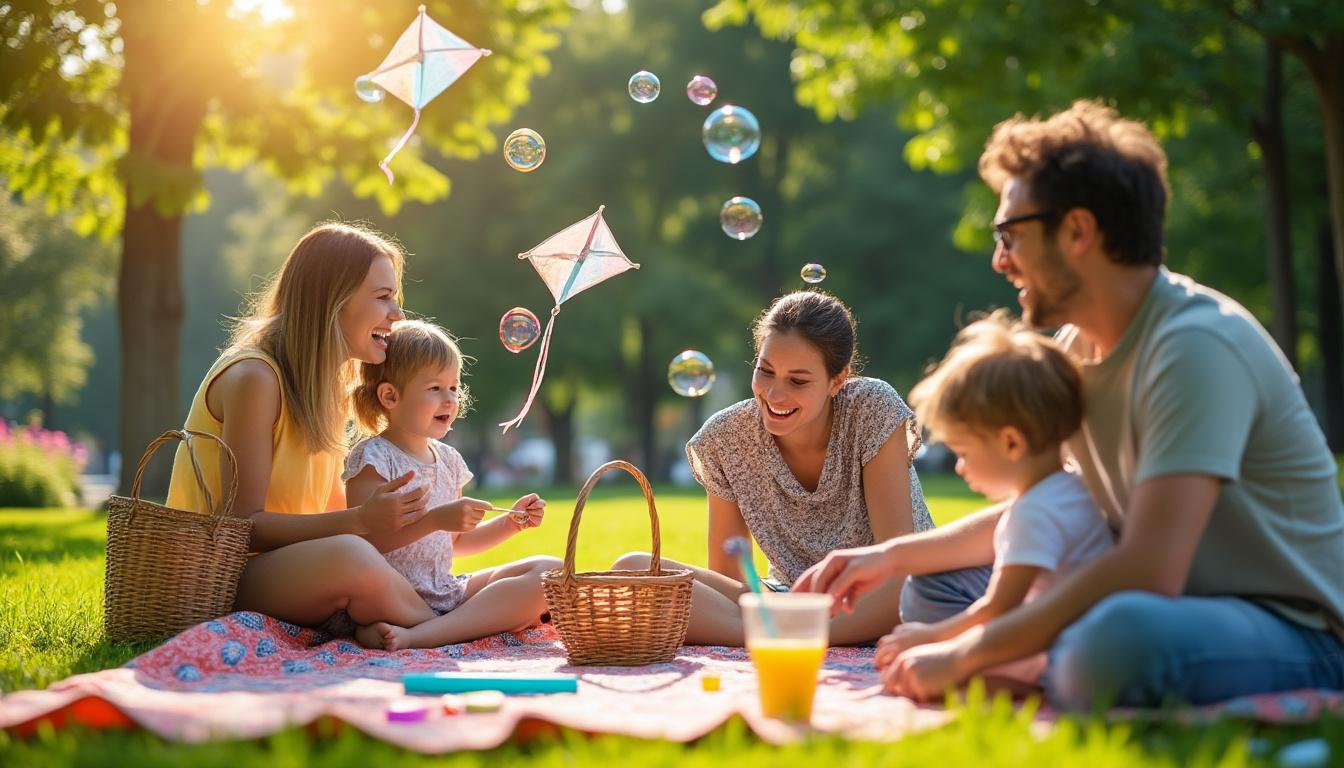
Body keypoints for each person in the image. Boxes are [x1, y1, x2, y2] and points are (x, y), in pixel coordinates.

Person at [796, 100, 1344, 709]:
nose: (1000, 260)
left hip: (1289, 626)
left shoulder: (1193, 347)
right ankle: (1036, 661)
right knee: (933, 586)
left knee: (1111, 643)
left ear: (1078, 231)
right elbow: (1050, 507)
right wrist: (891, 555)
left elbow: (1150, 567)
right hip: (1168, 599)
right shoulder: (1074, 348)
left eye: (1011, 236)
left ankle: (1031, 665)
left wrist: (967, 651)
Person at [168, 221, 446, 635]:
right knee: (351, 557)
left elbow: (328, 514)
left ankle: (430, 618)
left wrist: (399, 525)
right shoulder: (256, 378)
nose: (397, 314)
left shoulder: (328, 384)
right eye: (383, 297)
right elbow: (242, 527)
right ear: (333, 300)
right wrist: (361, 521)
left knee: (533, 571)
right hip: (217, 574)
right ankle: (445, 629)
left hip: (290, 569)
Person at [614, 290, 935, 645]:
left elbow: (896, 567)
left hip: (890, 596)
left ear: (837, 381)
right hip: (788, 599)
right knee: (631, 569)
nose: (774, 394)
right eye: (765, 371)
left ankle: (780, 636)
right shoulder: (725, 437)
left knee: (903, 588)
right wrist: (775, 607)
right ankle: (776, 631)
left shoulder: (871, 409)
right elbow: (731, 582)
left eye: (797, 381)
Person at [873, 311, 1113, 693]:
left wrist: (932, 638)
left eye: (964, 453)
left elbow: (998, 608)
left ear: (1011, 443)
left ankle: (1015, 681)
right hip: (1083, 627)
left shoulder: (1031, 514)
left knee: (952, 666)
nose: (961, 469)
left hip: (1064, 639)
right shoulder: (1075, 488)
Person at [344, 319, 560, 650]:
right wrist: (434, 521)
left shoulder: (448, 460)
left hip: (443, 590)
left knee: (551, 572)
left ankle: (429, 629)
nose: (449, 399)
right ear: (390, 395)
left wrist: (511, 523)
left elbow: (456, 544)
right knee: (369, 599)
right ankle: (435, 631)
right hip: (392, 595)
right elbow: (363, 548)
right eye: (434, 388)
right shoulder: (373, 458)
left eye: (454, 388)